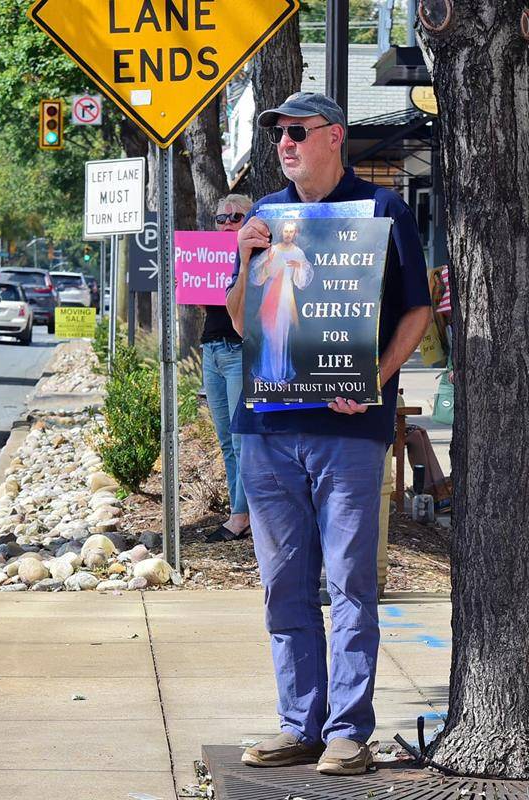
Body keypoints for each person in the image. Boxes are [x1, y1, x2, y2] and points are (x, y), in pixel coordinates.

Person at [224, 92, 432, 776]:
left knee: (349, 581)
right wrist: (245, 254)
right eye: (277, 134)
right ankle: (298, 723)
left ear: (334, 137)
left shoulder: (384, 211)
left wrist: (374, 376)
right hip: (268, 428)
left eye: (295, 132)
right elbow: (237, 321)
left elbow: (417, 311)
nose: (283, 143)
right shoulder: (264, 215)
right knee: (284, 587)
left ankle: (348, 730)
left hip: (348, 431)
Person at [201, 194, 253, 542]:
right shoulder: (206, 255)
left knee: (240, 438)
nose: (227, 223)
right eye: (221, 218)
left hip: (239, 350)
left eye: (235, 217)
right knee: (225, 439)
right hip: (212, 349)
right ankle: (240, 510)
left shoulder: (257, 257)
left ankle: (241, 516)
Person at [250, 220, 313, 384]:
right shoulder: (273, 250)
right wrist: (267, 263)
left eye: (291, 231)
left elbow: (302, 280)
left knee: (282, 335)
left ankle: (279, 375)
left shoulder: (298, 253)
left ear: (295, 233)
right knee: (268, 334)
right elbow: (258, 275)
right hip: (269, 295)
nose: (288, 234)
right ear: (281, 232)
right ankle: (266, 373)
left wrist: (299, 266)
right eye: (286, 231)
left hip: (286, 298)